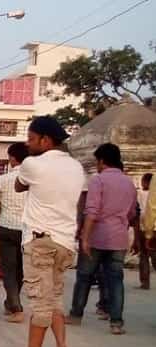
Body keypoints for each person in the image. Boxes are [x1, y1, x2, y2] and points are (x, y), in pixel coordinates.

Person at [4, 116, 85, 347]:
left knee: (40, 304)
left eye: (30, 139)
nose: (27, 145)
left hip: (40, 241)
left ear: (45, 140)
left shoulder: (31, 165)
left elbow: (18, 185)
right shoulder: (76, 168)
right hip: (65, 241)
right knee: (55, 300)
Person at [68, 143, 137, 335]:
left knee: (84, 277)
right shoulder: (129, 183)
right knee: (116, 280)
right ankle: (116, 322)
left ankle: (75, 315)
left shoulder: (98, 181)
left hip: (97, 236)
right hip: (119, 238)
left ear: (101, 161)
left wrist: (85, 238)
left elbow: (91, 212)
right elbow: (132, 213)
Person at [0, 143, 29, 322]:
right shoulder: (32, 180)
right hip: (26, 230)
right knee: (20, 270)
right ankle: (12, 301)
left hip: (6, 228)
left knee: (8, 269)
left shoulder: (2, 180)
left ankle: (15, 306)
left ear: (13, 158)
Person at [136, 173, 155, 289]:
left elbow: (142, 212)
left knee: (143, 256)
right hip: (154, 227)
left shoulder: (140, 194)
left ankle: (145, 282)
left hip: (145, 228)